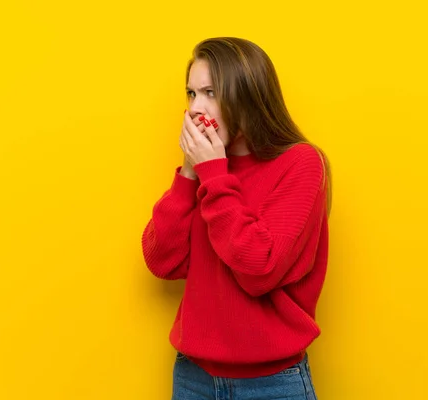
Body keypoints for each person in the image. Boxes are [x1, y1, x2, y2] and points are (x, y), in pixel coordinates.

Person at [141, 37, 331, 400]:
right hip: (192, 379)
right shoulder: (205, 172)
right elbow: (161, 261)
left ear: (246, 95)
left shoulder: (301, 164)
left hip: (272, 385)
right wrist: (189, 173)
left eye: (210, 92)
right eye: (191, 94)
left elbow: (259, 268)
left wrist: (212, 173)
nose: (197, 109)